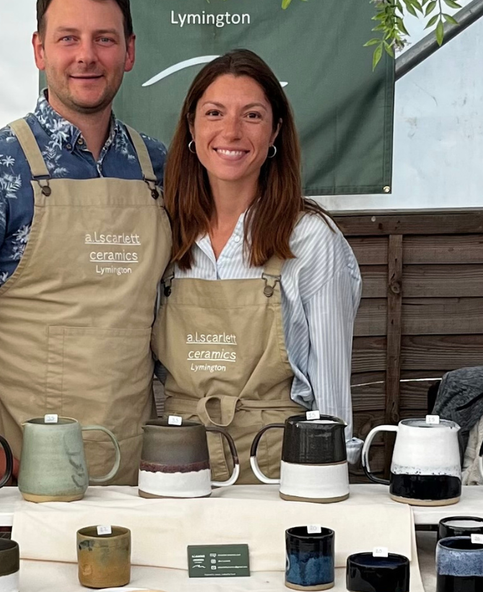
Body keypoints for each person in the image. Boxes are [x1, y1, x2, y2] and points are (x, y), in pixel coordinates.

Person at [0, 0, 170, 486]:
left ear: (129, 51)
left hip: (135, 459)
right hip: (23, 463)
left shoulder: (159, 169)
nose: (87, 56)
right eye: (68, 39)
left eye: (104, 39)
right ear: (39, 50)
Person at [153, 49, 361, 480]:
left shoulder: (309, 237)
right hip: (176, 464)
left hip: (278, 467)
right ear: (191, 126)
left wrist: (329, 475)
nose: (231, 131)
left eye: (252, 116)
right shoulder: (162, 233)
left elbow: (331, 379)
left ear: (275, 132)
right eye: (214, 113)